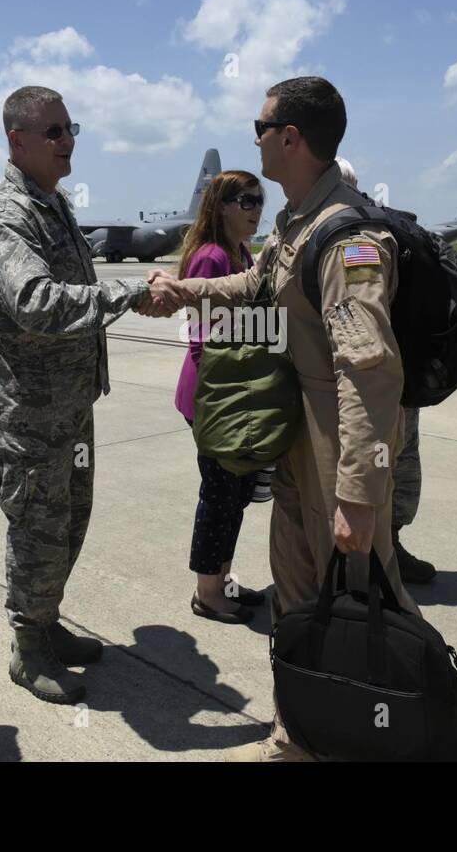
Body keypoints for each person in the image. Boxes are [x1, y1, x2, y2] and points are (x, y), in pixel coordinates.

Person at [149, 76, 420, 761]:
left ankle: (397, 724)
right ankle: (299, 731)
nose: (257, 139)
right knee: (299, 595)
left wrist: (359, 492)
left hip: (339, 436)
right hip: (299, 428)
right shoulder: (297, 222)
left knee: (364, 598)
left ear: (291, 138)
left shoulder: (349, 235)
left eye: (261, 128)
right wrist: (184, 289)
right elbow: (253, 284)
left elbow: (369, 369)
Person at [0, 85, 181, 706]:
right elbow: (35, 302)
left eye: (71, 129)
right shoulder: (6, 214)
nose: (68, 143)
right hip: (31, 415)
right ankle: (27, 647)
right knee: (37, 528)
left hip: (70, 406)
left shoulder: (52, 204)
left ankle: (48, 622)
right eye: (54, 132)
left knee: (68, 524)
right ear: (17, 140)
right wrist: (128, 294)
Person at [174, 171, 270, 624]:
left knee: (236, 494)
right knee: (218, 494)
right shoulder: (211, 258)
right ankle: (207, 593)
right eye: (247, 201)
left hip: (236, 395)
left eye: (259, 201)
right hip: (214, 399)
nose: (256, 210)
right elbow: (200, 340)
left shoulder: (241, 251)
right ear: (223, 206)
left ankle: (223, 580)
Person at [334, 157, 435, 584]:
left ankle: (380, 554)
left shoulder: (357, 238)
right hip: (404, 377)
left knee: (380, 467)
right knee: (396, 462)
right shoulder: (382, 227)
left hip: (373, 382)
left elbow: (362, 328)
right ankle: (378, 552)